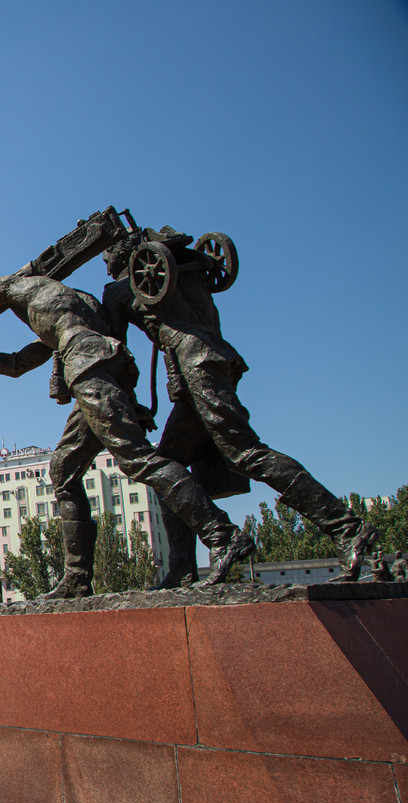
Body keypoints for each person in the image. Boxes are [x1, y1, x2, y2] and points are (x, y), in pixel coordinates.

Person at [0, 272, 255, 597]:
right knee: (63, 470)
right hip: (106, 368)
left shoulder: (22, 285)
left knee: (137, 459)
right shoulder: (74, 308)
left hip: (88, 368)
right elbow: (16, 363)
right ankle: (77, 579)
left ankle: (222, 534)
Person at [101, 231, 378, 585]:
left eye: (107, 256)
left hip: (198, 366)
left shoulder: (121, 290)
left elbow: (114, 354)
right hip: (217, 361)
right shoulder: (190, 266)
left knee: (246, 453)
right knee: (167, 467)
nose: (105, 265)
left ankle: (346, 528)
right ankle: (182, 568)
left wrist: (130, 405)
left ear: (121, 252)